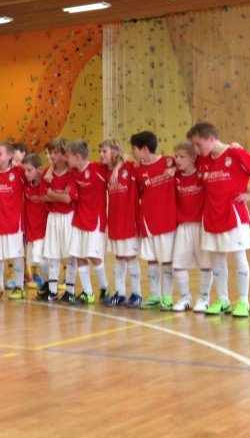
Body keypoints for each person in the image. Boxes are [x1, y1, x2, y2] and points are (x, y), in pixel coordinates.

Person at [187, 121, 250, 318]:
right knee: (217, 260)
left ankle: (243, 301)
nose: (196, 150)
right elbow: (183, 160)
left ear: (211, 139)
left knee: (239, 257)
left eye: (199, 144)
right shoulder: (203, 159)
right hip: (211, 216)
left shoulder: (235, 154)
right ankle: (222, 300)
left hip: (234, 215)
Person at [131, 130, 178, 310]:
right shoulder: (137, 169)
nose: (133, 152)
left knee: (166, 261)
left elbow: (192, 159)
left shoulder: (169, 161)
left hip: (165, 221)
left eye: (134, 148)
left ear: (144, 149)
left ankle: (167, 297)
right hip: (147, 221)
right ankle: (155, 295)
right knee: (151, 260)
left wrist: (174, 169)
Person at [66, 140, 110, 304]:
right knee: (79, 255)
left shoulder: (99, 169)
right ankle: (88, 292)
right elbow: (74, 195)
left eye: (69, 157)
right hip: (79, 219)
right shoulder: (73, 173)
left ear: (78, 157)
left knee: (94, 256)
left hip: (95, 220)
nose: (67, 160)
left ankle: (104, 288)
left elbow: (120, 163)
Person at [171, 142, 213, 313]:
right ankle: (185, 297)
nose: (178, 160)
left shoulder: (203, 176)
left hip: (202, 226)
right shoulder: (175, 177)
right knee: (178, 264)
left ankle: (204, 297)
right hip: (183, 227)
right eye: (176, 156)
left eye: (182, 156)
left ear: (193, 158)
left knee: (206, 263)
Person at [101, 140, 141, 307]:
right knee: (118, 257)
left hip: (129, 220)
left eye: (105, 151)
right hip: (115, 221)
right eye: (100, 151)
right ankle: (120, 292)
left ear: (115, 152)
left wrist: (119, 166)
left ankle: (137, 294)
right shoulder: (104, 171)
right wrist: (115, 168)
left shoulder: (129, 167)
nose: (101, 155)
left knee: (130, 257)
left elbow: (126, 156)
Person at [0, 142, 27, 300]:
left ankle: (19, 286)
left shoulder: (19, 172)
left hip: (13, 223)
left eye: (0, 153)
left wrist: (19, 162)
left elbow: (33, 177)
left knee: (16, 255)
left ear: (10, 156)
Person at [40, 138, 77, 303]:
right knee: (52, 254)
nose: (52, 156)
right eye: (51, 152)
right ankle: (53, 290)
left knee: (70, 255)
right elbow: (43, 196)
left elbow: (68, 200)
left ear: (65, 154)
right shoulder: (47, 173)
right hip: (53, 217)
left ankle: (70, 290)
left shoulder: (72, 173)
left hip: (68, 218)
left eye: (56, 153)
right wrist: (58, 196)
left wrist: (53, 195)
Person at [22, 154, 50, 298]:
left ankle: (50, 284)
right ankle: (46, 284)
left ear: (39, 169)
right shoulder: (27, 185)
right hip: (31, 230)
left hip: (44, 230)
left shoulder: (46, 183)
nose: (26, 174)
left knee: (41, 258)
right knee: (34, 260)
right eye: (24, 170)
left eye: (29, 170)